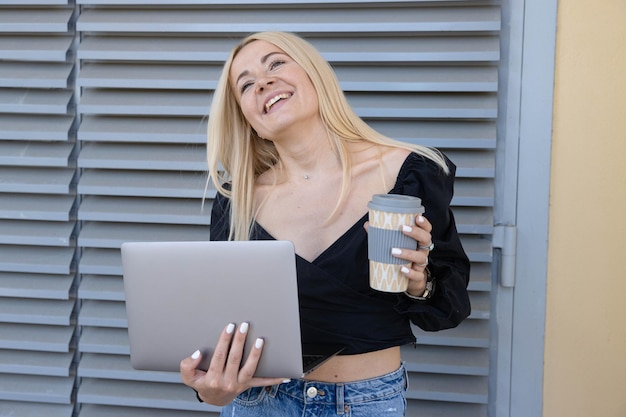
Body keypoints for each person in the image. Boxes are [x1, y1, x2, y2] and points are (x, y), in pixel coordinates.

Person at [180, 31, 471, 416]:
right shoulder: (237, 200)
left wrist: (420, 283)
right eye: (246, 84)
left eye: (276, 63)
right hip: (258, 405)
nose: (263, 82)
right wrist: (211, 390)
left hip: (365, 403)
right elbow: (225, 329)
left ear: (315, 74)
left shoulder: (411, 172)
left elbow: (448, 309)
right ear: (248, 119)